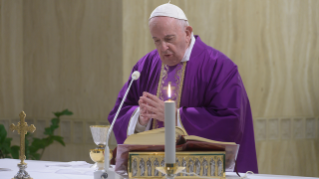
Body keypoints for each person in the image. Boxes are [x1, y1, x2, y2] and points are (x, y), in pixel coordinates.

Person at [108, 3, 258, 173]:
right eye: (156, 41)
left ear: (187, 33)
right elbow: (119, 112)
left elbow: (231, 121)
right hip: (151, 169)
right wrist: (141, 119)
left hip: (201, 171)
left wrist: (174, 116)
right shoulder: (146, 66)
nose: (163, 47)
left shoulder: (218, 66)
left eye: (169, 39)